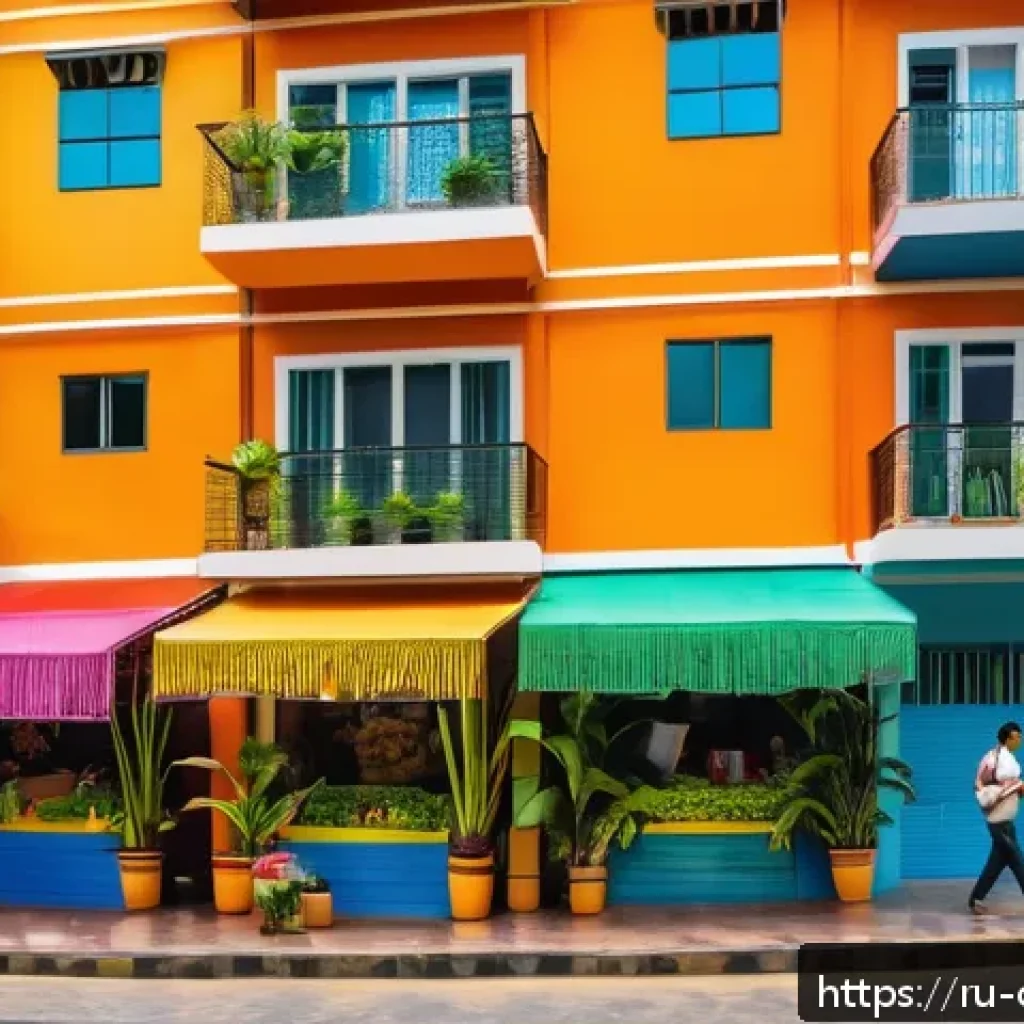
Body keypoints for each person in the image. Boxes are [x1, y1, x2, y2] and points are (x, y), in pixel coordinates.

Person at [969, 721, 1024, 913]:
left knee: (997, 862)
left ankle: (976, 898)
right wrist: (1015, 787)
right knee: (1018, 860)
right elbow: (982, 785)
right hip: (999, 823)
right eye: (1016, 737)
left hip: (1005, 821)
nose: (1020, 741)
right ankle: (975, 899)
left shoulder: (1005, 757)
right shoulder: (996, 759)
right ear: (1007, 739)